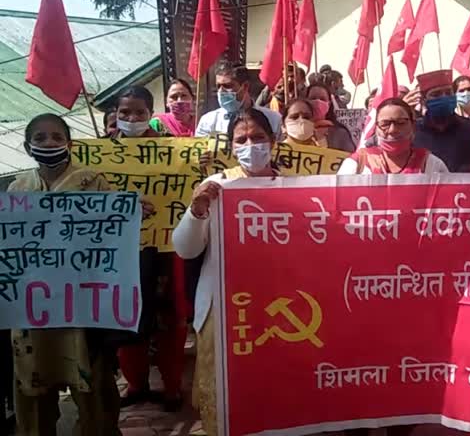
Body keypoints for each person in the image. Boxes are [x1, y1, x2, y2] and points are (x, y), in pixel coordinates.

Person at [9, 114, 122, 435]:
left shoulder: (92, 182)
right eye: (41, 138)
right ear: (28, 146)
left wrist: (128, 209)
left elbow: (112, 234)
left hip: (80, 302)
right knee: (32, 378)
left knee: (91, 380)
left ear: (69, 144)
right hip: (33, 305)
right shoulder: (18, 189)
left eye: (56, 137)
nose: (49, 144)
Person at [173, 108, 280, 436]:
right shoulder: (216, 186)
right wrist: (197, 210)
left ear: (273, 142)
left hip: (280, 307)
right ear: (232, 146)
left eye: (259, 138)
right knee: (226, 395)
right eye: (242, 139)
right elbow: (185, 248)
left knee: (273, 388)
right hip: (225, 310)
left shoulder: (295, 187)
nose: (251, 145)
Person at [112, 87, 186, 412]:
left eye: (139, 113)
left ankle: (172, 386)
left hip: (165, 249)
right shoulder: (102, 154)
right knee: (125, 314)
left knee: (169, 316)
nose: (131, 119)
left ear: (150, 114)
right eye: (124, 113)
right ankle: (135, 382)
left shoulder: (172, 149)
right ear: (115, 114)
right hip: (123, 252)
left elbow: (190, 180)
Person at [338, 98, 449, 174]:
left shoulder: (432, 165)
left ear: (413, 125)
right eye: (385, 124)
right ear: (376, 127)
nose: (393, 130)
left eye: (401, 123)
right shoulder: (357, 164)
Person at [412, 70, 470, 172]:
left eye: (448, 92)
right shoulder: (414, 133)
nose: (444, 97)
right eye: (436, 94)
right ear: (423, 100)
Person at [201, 62, 281, 139]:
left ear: (245, 86)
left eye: (227, 86)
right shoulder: (208, 121)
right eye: (218, 86)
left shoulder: (273, 119)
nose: (221, 91)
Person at [306, 82, 356, 152]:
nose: (318, 102)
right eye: (313, 98)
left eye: (322, 99)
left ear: (329, 104)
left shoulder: (340, 134)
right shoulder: (297, 129)